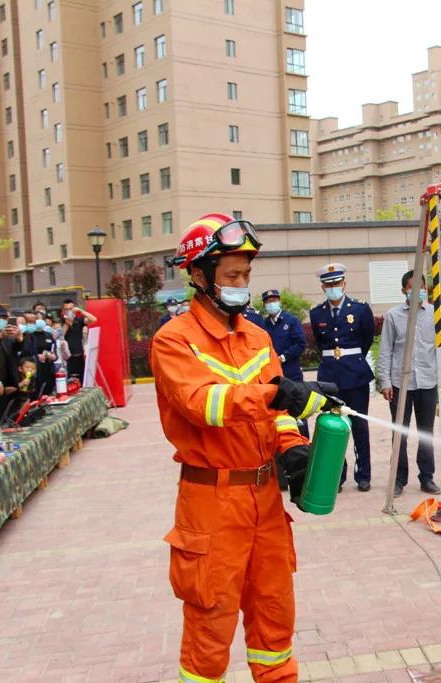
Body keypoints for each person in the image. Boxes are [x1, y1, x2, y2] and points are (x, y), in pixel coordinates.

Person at [150, 212, 338, 683]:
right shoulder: (174, 341)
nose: (242, 284)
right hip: (212, 504)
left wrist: (293, 445)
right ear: (199, 276)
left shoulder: (256, 336)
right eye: (232, 275)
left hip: (264, 500)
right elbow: (202, 404)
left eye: (246, 275)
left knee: (275, 618)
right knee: (209, 631)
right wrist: (276, 394)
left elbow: (276, 412)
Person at [377, 270, 441, 497]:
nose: (417, 292)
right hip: (400, 384)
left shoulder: (435, 314)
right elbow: (385, 351)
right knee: (399, 433)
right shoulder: (393, 316)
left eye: (422, 289)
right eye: (412, 288)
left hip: (428, 383)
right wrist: (385, 381)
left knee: (426, 432)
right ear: (404, 291)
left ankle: (426, 477)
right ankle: (399, 479)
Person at [309, 263, 375, 492]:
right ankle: (337, 475)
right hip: (330, 378)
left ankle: (363, 475)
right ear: (323, 287)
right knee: (334, 426)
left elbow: (366, 339)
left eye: (337, 283)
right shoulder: (317, 313)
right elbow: (320, 344)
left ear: (344, 284)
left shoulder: (360, 309)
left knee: (359, 426)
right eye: (329, 284)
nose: (333, 287)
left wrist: (352, 361)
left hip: (356, 376)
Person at [252, 290, 309, 439]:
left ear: (279, 302)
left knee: (298, 410)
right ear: (264, 305)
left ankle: (303, 443)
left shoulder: (290, 321)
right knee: (279, 412)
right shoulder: (264, 325)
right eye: (269, 302)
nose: (272, 304)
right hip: (274, 377)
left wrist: (284, 357)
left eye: (274, 300)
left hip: (291, 373)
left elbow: (301, 343)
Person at [61, 298, 97, 379]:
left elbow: (93, 319)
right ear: (63, 310)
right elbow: (60, 335)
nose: (69, 311)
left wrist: (81, 311)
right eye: (67, 309)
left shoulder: (79, 320)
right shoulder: (61, 321)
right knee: (70, 380)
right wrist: (67, 323)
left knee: (81, 378)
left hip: (79, 355)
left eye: (71, 309)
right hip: (68, 357)